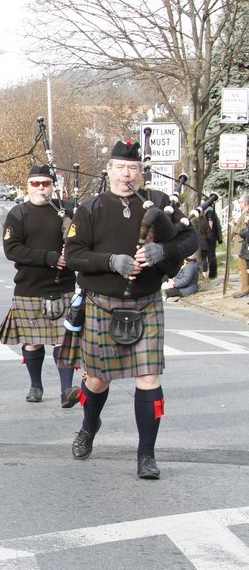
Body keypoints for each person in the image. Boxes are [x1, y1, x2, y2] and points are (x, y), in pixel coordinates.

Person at [62, 140, 198, 479]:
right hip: (102, 303)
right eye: (120, 167)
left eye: (133, 168)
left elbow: (190, 239)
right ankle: (89, 426)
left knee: (149, 378)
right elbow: (74, 255)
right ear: (108, 170)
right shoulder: (90, 208)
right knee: (96, 380)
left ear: (142, 172)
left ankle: (146, 455)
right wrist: (112, 262)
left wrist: (161, 253)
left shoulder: (161, 204)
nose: (127, 174)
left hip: (145, 302)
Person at [0, 165, 80, 406]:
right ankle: (36, 385)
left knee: (64, 339)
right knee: (32, 341)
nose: (41, 188)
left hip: (63, 285)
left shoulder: (67, 211)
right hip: (29, 286)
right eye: (36, 184)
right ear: (28, 186)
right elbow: (12, 250)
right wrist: (50, 258)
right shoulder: (18, 213)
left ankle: (66, 390)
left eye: (45, 183)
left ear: (53, 186)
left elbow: (81, 240)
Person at [196, 205, 221, 279]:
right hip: (206, 241)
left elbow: (210, 223)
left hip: (201, 242)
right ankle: (211, 274)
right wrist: (210, 237)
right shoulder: (206, 217)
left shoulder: (208, 211)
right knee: (210, 257)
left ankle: (208, 274)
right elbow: (210, 226)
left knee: (206, 258)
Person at [231, 194, 249, 298]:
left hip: (244, 244)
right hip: (243, 244)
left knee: (243, 268)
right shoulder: (244, 213)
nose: (240, 204)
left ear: (245, 203)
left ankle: (245, 289)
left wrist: (234, 227)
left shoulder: (247, 213)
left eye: (240, 202)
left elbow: (243, 231)